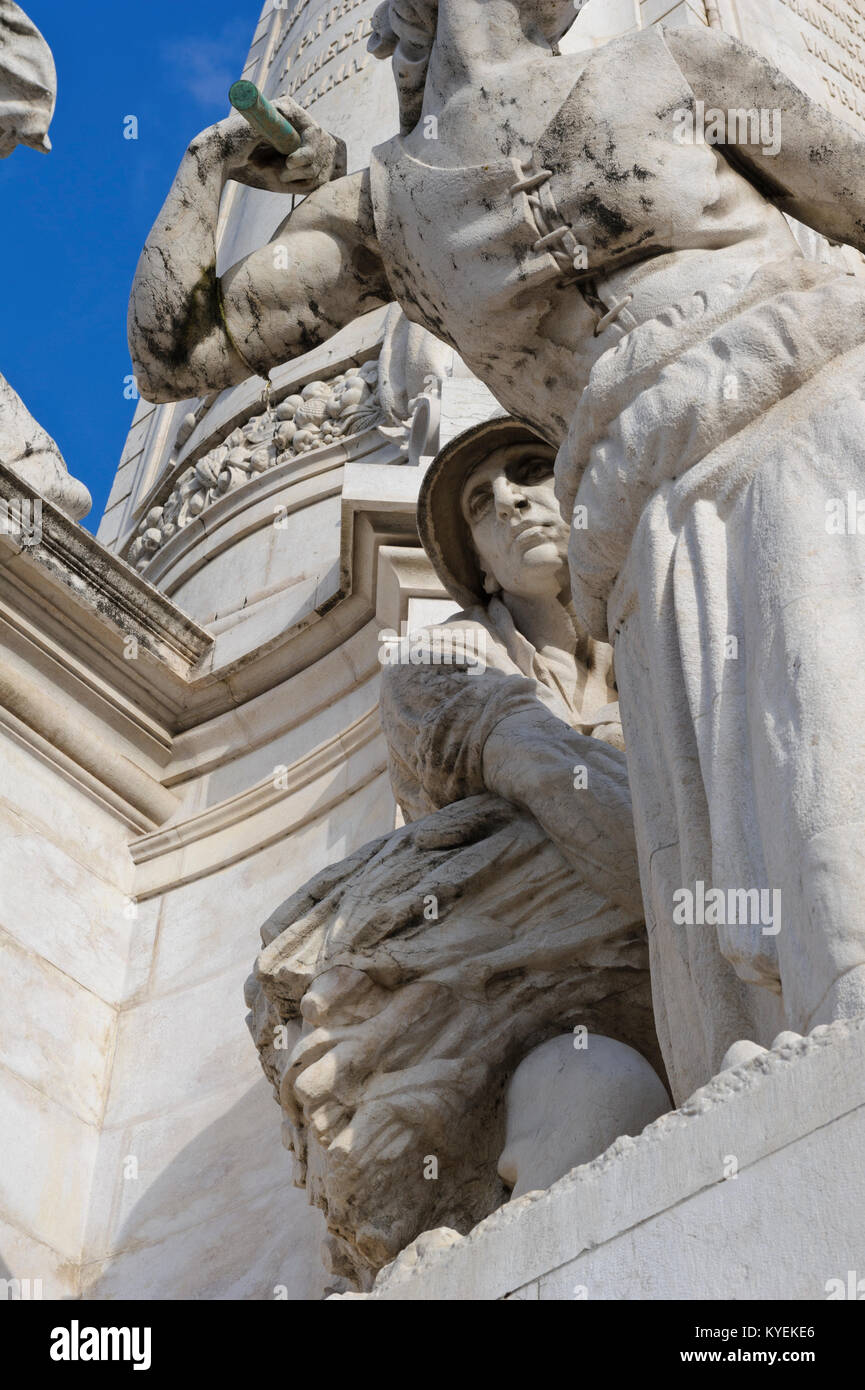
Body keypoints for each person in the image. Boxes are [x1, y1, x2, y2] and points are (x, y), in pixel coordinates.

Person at [136, 1, 865, 1100]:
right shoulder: (384, 208)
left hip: (818, 409)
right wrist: (212, 160)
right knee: (768, 853)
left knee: (824, 757)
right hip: (653, 520)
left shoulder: (674, 59)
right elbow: (176, 349)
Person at [247, 419, 663, 1289]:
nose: (510, 501)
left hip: (636, 994)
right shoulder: (440, 658)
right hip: (529, 1014)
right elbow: (601, 824)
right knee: (592, 1096)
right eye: (481, 503)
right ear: (474, 562)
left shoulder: (668, 627)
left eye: (530, 470)